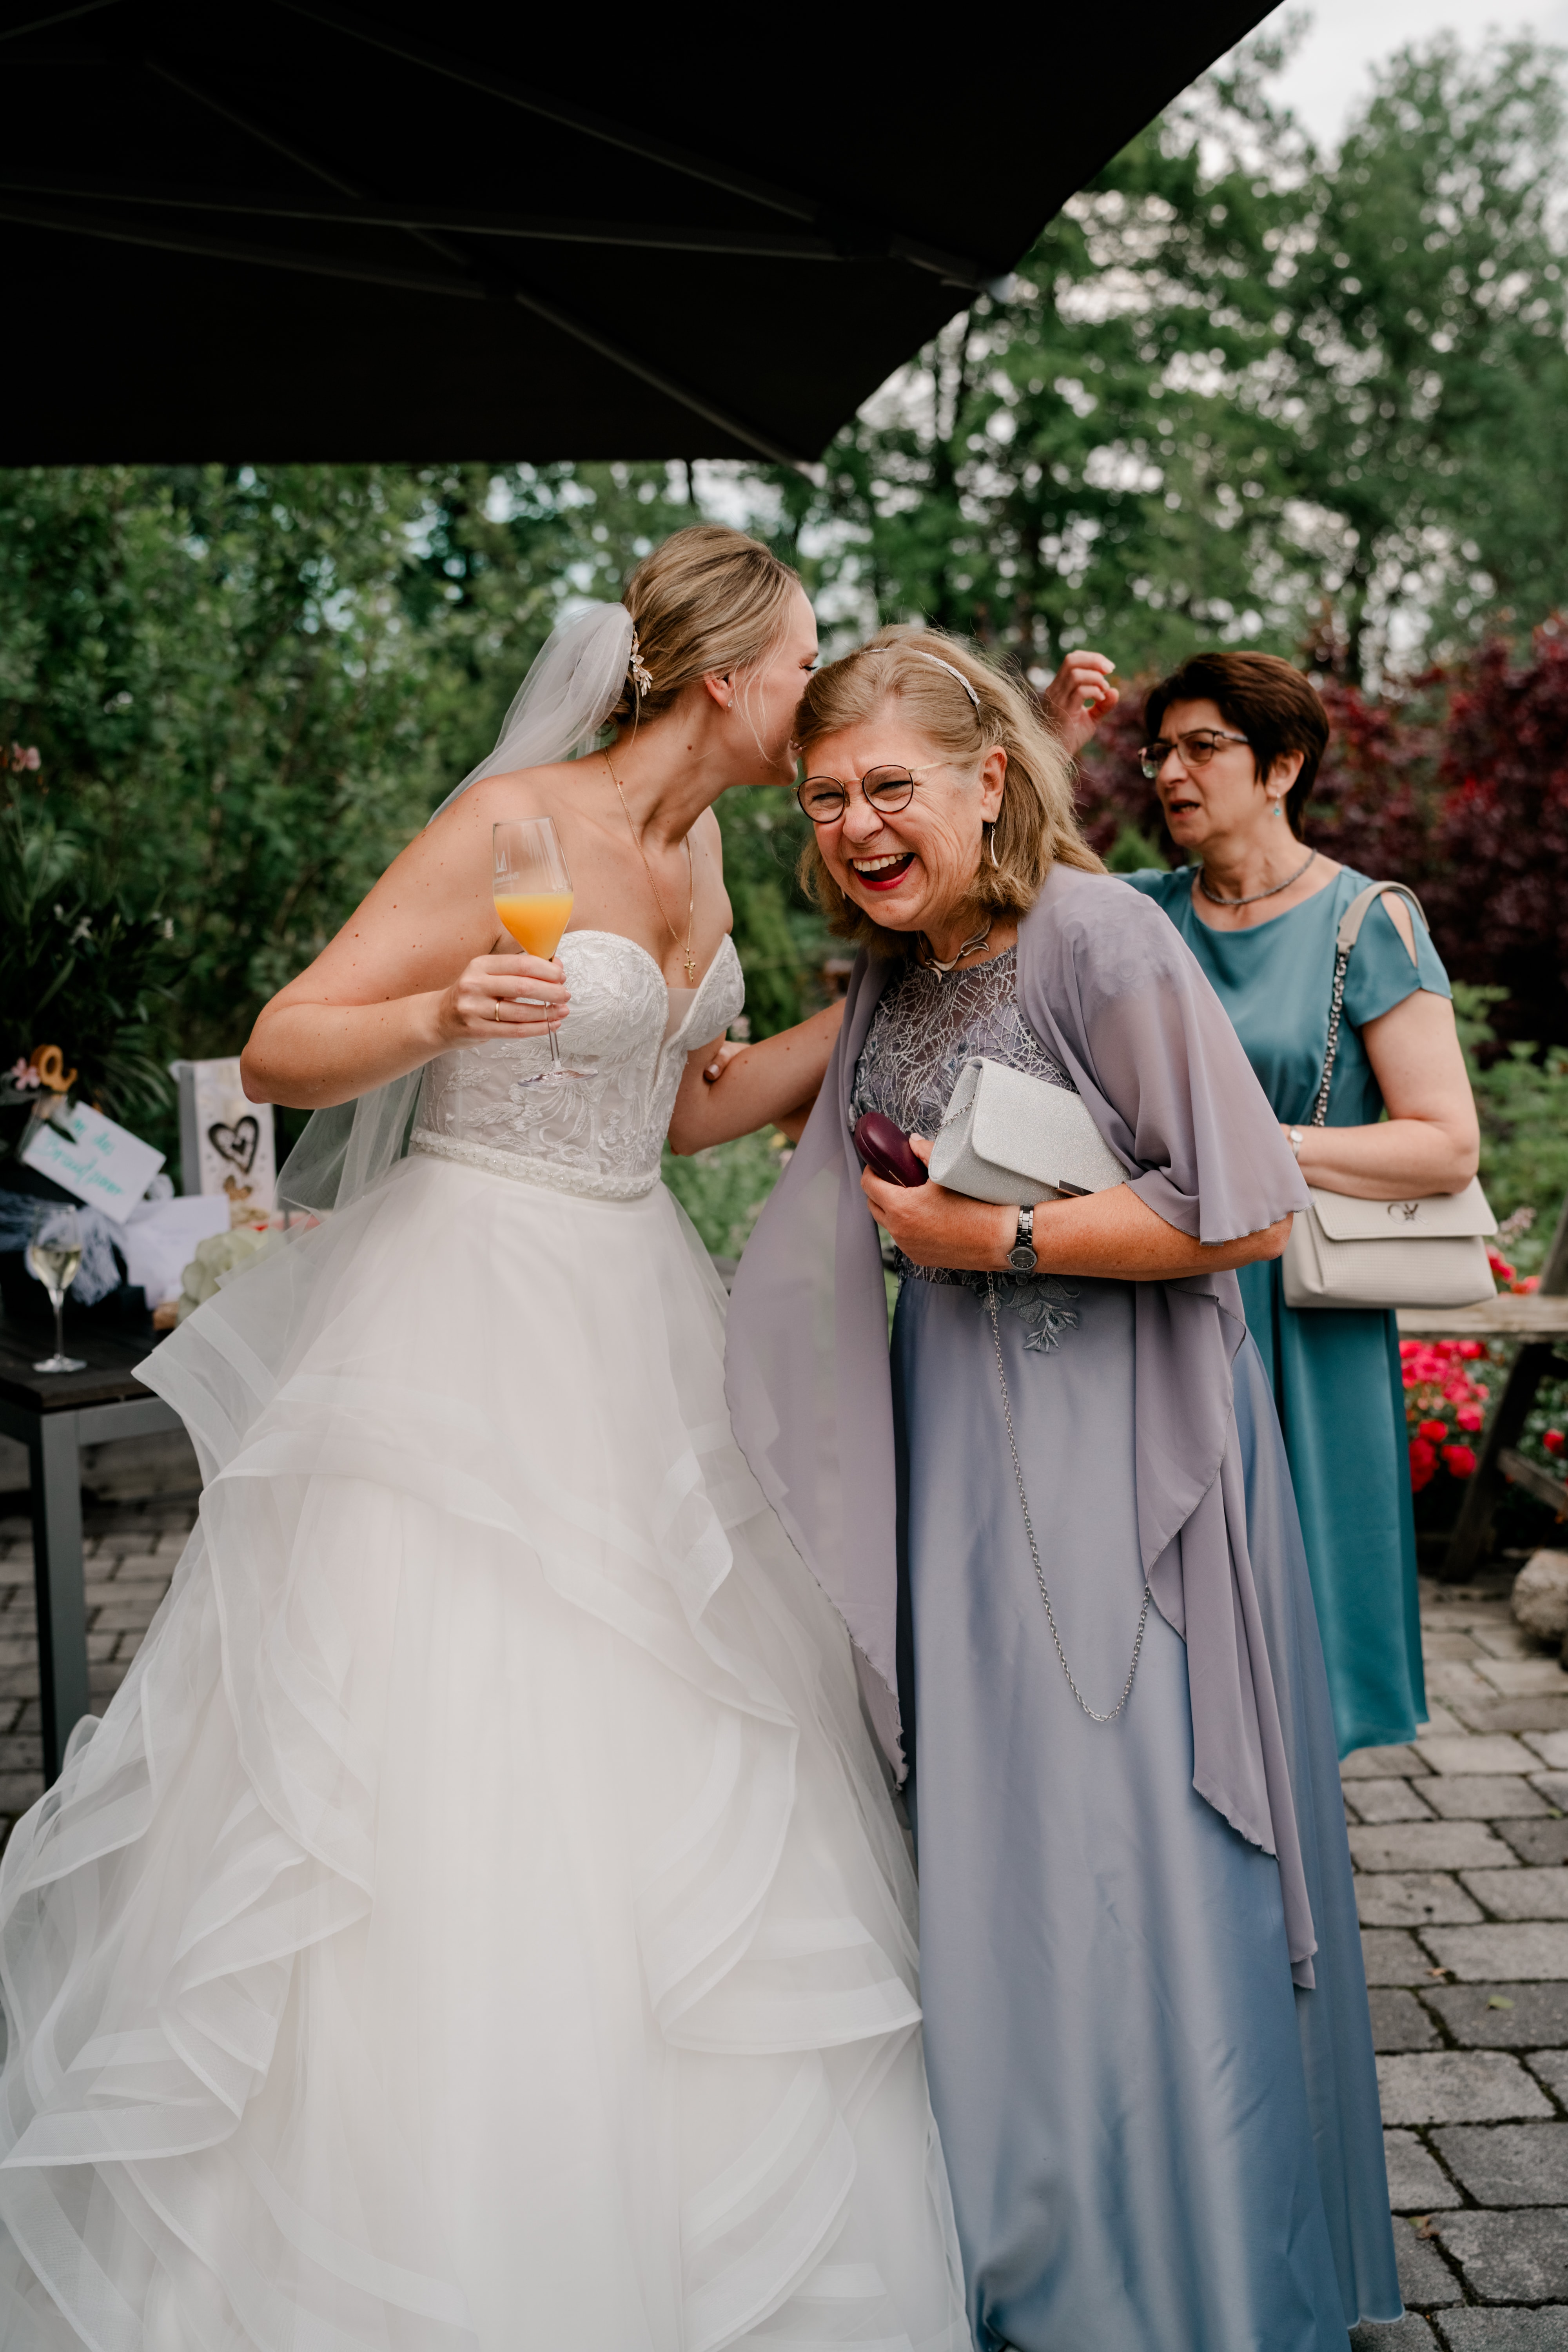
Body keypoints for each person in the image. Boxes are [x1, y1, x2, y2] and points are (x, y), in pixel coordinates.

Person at [0, 529, 969, 2352]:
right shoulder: (516, 823)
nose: (817, 690)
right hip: (465, 1303)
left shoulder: (704, 857)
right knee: (443, 1711)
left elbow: (683, 1111)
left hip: (634, 1305)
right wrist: (443, 1012)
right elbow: (284, 1046)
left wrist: (869, 1021)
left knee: (669, 1715)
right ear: (726, 676)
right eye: (802, 661)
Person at [718, 628, 1399, 2352]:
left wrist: (997, 1237)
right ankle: (1032, 2252)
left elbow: (1245, 1206)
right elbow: (733, 1123)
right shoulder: (894, 967)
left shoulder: (1102, 937)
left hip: (1123, 1453)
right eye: (824, 800)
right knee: (1002, 1845)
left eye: (889, 787)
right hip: (956, 1443)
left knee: (1123, 1840)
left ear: (986, 781)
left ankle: (1180, 2274)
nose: (857, 826)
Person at [1114, 651, 1478, 1756]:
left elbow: (1445, 1144)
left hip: (1305, 1307)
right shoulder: (1144, 914)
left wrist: (1263, 1146)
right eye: (1160, 752)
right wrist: (1059, 734)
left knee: (1304, 1586)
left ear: (1282, 768)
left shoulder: (1368, 921)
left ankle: (1302, 1819)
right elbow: (1004, 881)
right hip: (1165, 1285)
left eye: (1203, 748)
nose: (1172, 773)